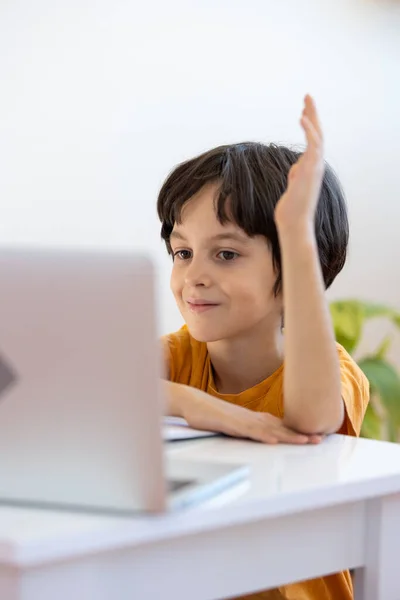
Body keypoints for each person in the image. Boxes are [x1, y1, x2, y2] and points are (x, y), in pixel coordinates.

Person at [158, 95, 369, 599]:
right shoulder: (178, 357)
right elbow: (89, 389)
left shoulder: (330, 370)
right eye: (182, 252)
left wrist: (295, 231)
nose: (194, 276)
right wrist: (196, 405)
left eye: (226, 253)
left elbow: (312, 418)